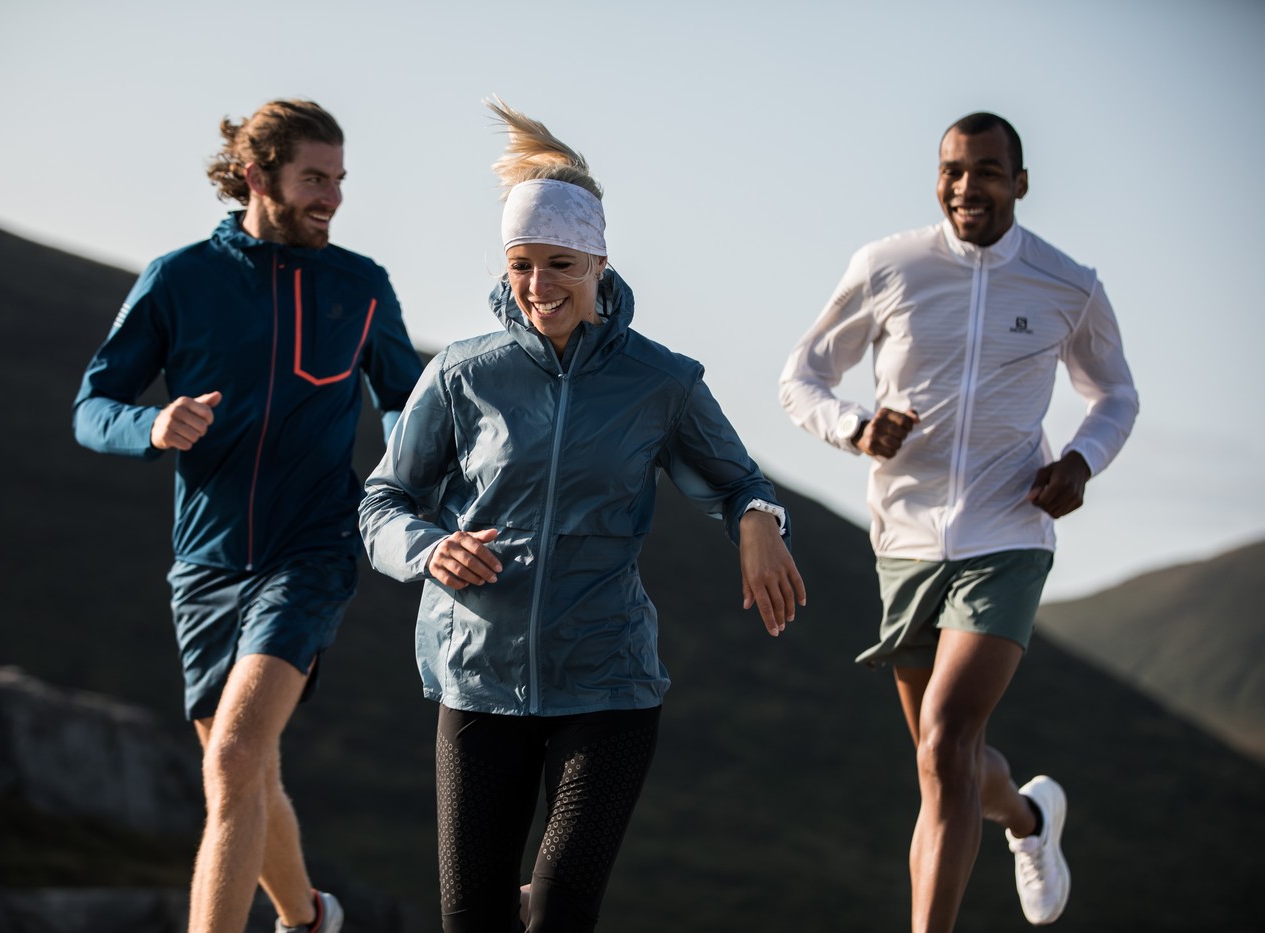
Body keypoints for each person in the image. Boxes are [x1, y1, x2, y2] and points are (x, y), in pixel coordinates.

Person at [358, 98, 806, 933]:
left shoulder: (660, 381)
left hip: (607, 681)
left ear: (599, 261)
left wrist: (756, 521)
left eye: (559, 263)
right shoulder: (464, 373)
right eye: (521, 264)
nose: (537, 286)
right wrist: (429, 549)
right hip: (478, 678)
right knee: (472, 921)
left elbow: (741, 480)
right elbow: (383, 501)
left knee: (562, 909)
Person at [778, 112, 1138, 930]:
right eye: (951, 170)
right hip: (904, 542)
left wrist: (1080, 462)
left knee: (944, 742)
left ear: (1019, 181)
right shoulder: (889, 266)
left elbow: (1114, 392)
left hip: (1006, 534)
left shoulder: (1066, 282)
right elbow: (800, 376)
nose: (965, 187)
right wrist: (857, 428)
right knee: (945, 763)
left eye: (984, 170)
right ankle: (1030, 819)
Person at [73, 99, 423, 933]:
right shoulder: (179, 277)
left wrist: (425, 488)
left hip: (313, 549)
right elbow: (93, 404)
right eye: (313, 179)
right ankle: (308, 920)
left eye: (339, 181)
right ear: (256, 175)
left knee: (233, 757)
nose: (331, 198)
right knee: (246, 773)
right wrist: (151, 425)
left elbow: (410, 405)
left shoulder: (360, 287)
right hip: (204, 561)